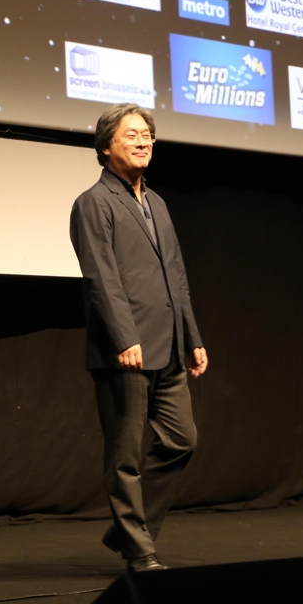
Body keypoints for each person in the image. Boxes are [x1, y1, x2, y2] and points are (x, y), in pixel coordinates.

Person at [70, 103, 208, 572]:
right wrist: (123, 337)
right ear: (105, 146)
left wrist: (192, 336)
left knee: (181, 440)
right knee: (125, 456)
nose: (143, 140)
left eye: (147, 134)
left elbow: (176, 276)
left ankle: (126, 527)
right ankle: (139, 550)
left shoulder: (158, 203)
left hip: (168, 346)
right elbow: (101, 278)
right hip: (125, 350)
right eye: (131, 134)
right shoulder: (94, 202)